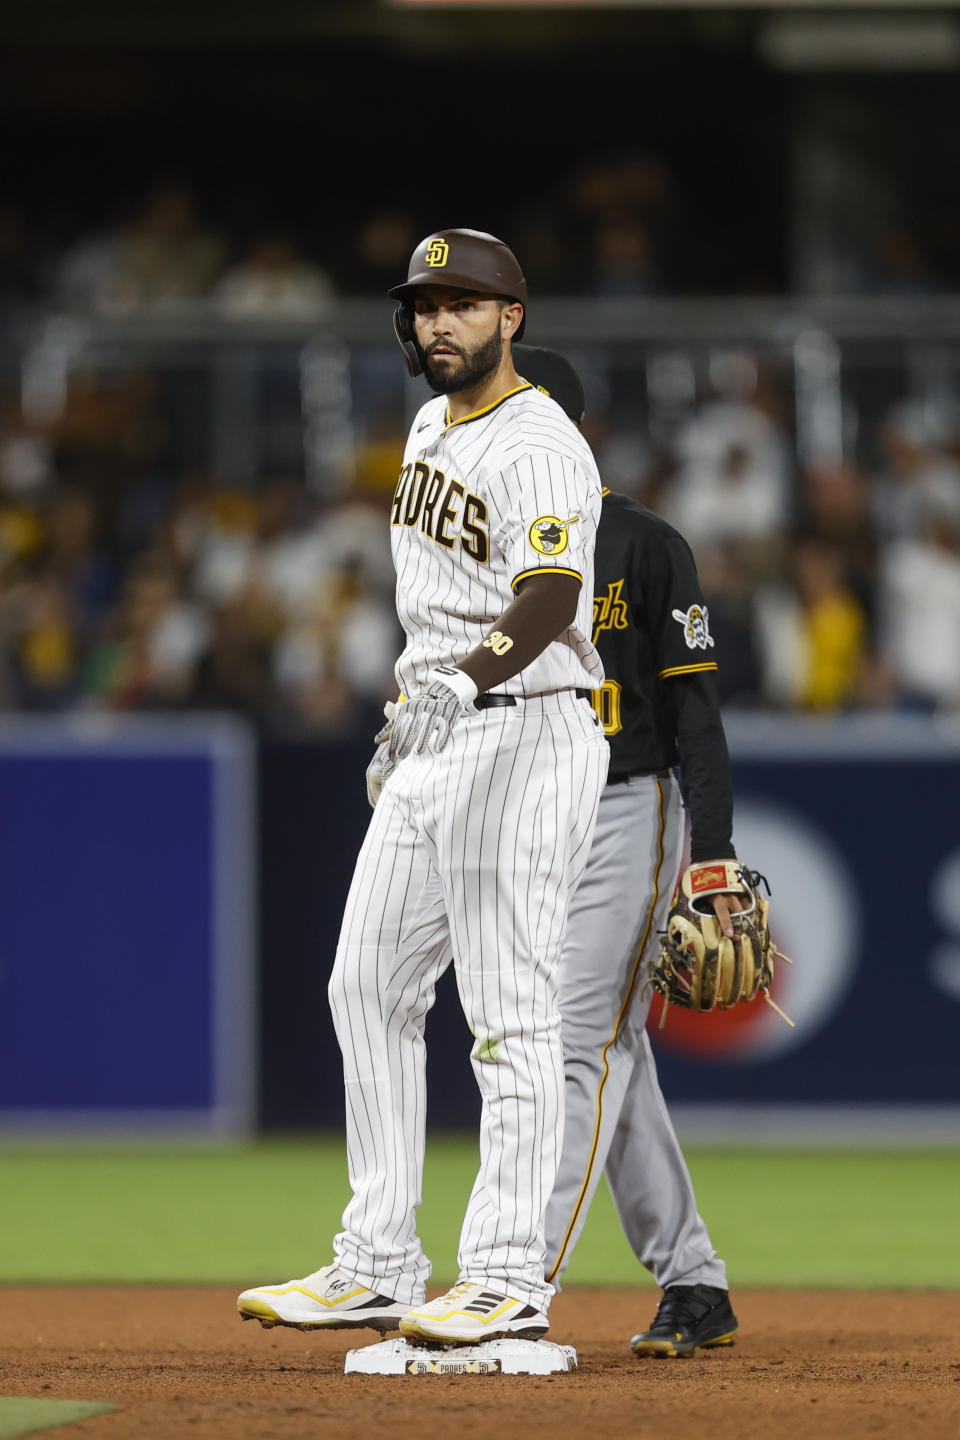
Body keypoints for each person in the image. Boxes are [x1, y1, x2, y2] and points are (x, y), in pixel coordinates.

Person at [237, 232, 609, 1345]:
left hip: (527, 729)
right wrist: (421, 709)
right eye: (424, 305)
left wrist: (464, 676)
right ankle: (379, 1260)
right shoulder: (426, 423)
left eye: (463, 304)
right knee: (367, 985)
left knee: (509, 1017)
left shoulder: (541, 442)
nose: (438, 323)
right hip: (436, 734)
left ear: (513, 318)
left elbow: (549, 593)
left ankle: (506, 1276)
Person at [513, 345, 740, 1358]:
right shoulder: (497, 551)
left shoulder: (645, 544)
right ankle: (694, 1282)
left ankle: (514, 1282)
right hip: (529, 820)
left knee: (574, 1045)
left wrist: (714, 854)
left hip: (625, 811)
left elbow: (695, 708)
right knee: (612, 1051)